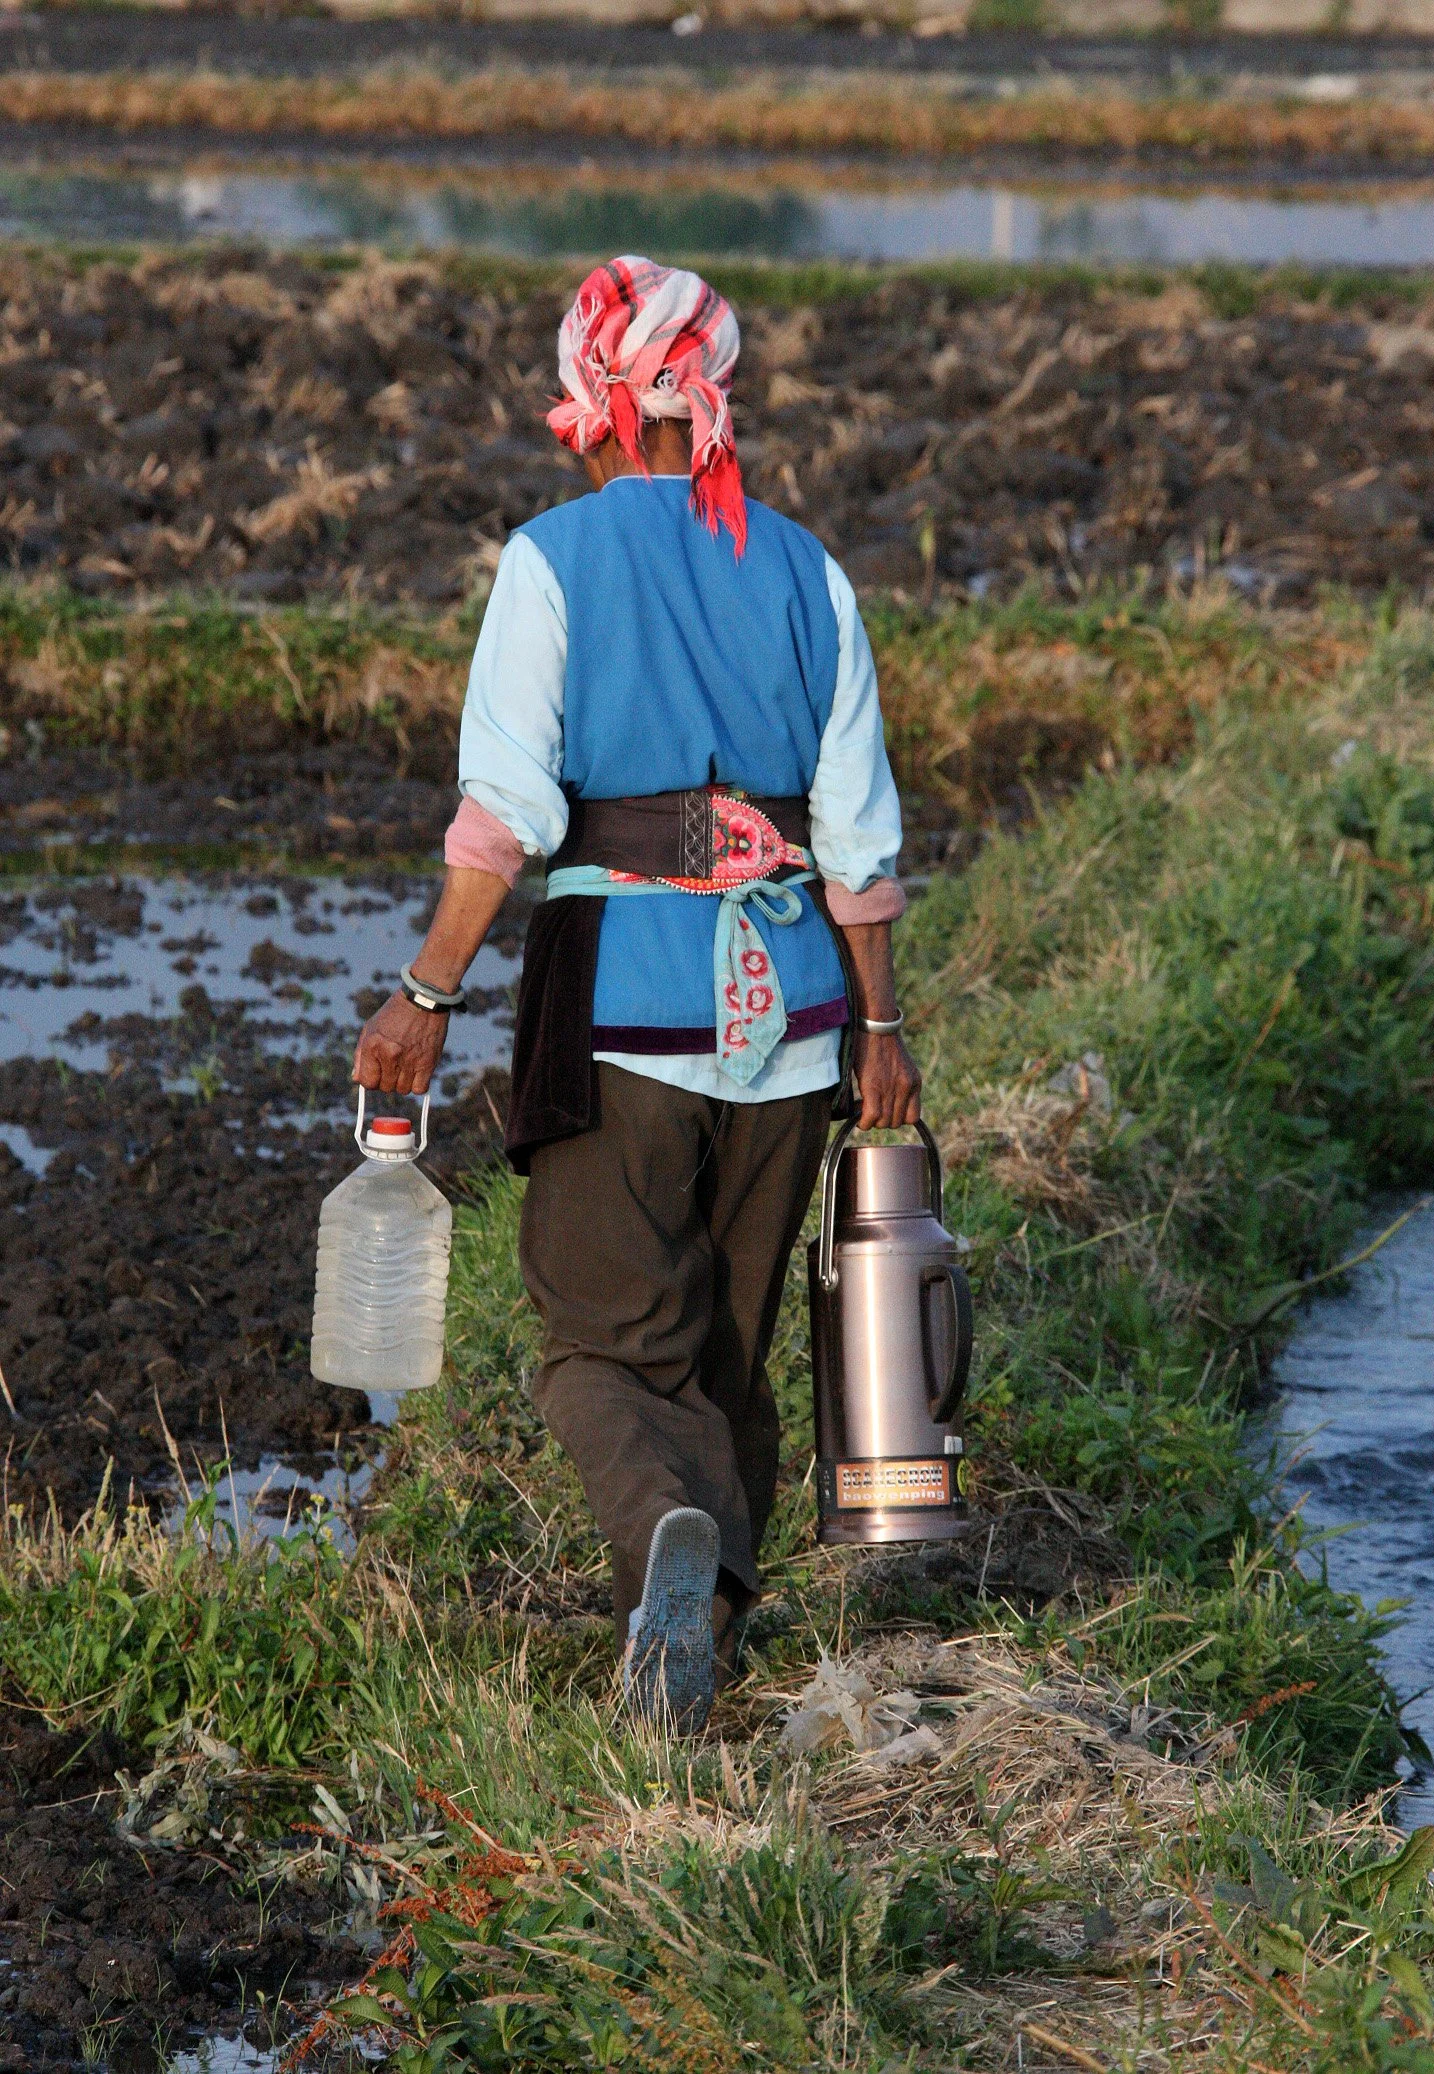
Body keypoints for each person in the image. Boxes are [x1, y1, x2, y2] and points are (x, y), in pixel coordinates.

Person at [352, 256, 920, 1733]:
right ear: (708, 401)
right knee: (726, 1336)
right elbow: (857, 834)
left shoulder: (555, 560)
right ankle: (704, 1646)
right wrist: (883, 1029)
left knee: (601, 1338)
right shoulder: (807, 567)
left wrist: (424, 991)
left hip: (628, 1016)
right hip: (796, 1023)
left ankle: (661, 1535)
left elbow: (505, 816)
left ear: (597, 404)